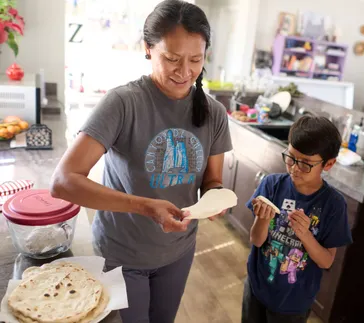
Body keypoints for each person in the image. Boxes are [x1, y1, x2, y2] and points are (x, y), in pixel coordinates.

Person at [50, 1, 232, 322]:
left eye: (196, 60)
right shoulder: (123, 103)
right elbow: (64, 181)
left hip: (179, 250)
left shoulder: (214, 112)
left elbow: (212, 181)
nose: (184, 71)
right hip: (123, 253)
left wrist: (217, 198)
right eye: (172, 59)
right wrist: (146, 206)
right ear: (147, 48)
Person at [241, 115, 353, 323]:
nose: (294, 168)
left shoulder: (333, 204)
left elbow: (326, 260)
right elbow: (256, 240)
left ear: (328, 164)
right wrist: (263, 219)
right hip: (257, 287)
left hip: (294, 300)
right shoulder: (271, 185)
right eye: (291, 157)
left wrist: (305, 235)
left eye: (306, 164)